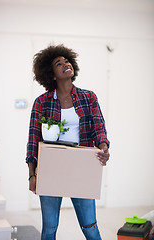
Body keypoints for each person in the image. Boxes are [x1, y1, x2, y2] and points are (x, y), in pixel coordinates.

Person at [26, 44, 110, 240]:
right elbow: (33, 139)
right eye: (59, 63)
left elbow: (99, 128)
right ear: (52, 74)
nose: (65, 64)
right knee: (49, 229)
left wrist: (104, 147)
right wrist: (32, 175)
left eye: (67, 60)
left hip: (81, 166)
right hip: (51, 168)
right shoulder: (42, 102)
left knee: (90, 227)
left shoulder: (88, 97)